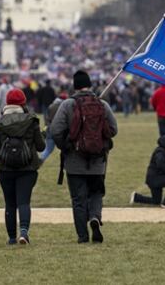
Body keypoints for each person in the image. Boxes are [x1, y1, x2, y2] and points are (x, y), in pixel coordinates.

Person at [50, 70, 118, 244]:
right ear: (89, 84)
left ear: (74, 86)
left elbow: (55, 130)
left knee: (78, 199)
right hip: (98, 160)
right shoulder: (102, 104)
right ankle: (95, 217)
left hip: (74, 160)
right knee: (96, 194)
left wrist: (65, 146)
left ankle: (82, 235)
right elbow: (113, 129)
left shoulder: (67, 105)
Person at [0, 88, 45, 245]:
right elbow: (41, 147)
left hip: (5, 168)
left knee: (10, 203)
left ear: (7, 103)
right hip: (28, 168)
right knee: (24, 202)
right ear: (23, 103)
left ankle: (12, 237)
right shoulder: (31, 120)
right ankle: (24, 232)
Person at [40, 91, 67, 163]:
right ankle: (65, 163)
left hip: (50, 129)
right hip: (60, 130)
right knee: (65, 149)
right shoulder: (63, 106)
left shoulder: (51, 106)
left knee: (48, 149)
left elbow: (46, 118)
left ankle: (40, 160)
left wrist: (47, 126)